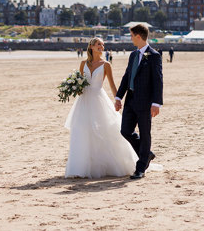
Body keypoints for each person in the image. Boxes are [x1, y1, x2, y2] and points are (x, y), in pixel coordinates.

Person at [64, 38, 138, 178]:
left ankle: (111, 164)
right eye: (99, 44)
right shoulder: (83, 63)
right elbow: (80, 84)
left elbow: (112, 84)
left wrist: (117, 100)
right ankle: (81, 167)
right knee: (82, 131)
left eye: (103, 45)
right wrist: (73, 88)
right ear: (91, 46)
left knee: (105, 130)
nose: (101, 47)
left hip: (99, 99)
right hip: (84, 101)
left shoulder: (106, 65)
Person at [115, 24, 163, 180]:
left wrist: (156, 103)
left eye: (131, 35)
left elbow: (158, 80)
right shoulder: (133, 55)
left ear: (138, 36)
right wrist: (118, 97)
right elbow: (126, 76)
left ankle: (140, 168)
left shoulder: (154, 55)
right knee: (125, 131)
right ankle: (146, 154)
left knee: (145, 133)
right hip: (130, 100)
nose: (130, 39)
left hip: (146, 102)